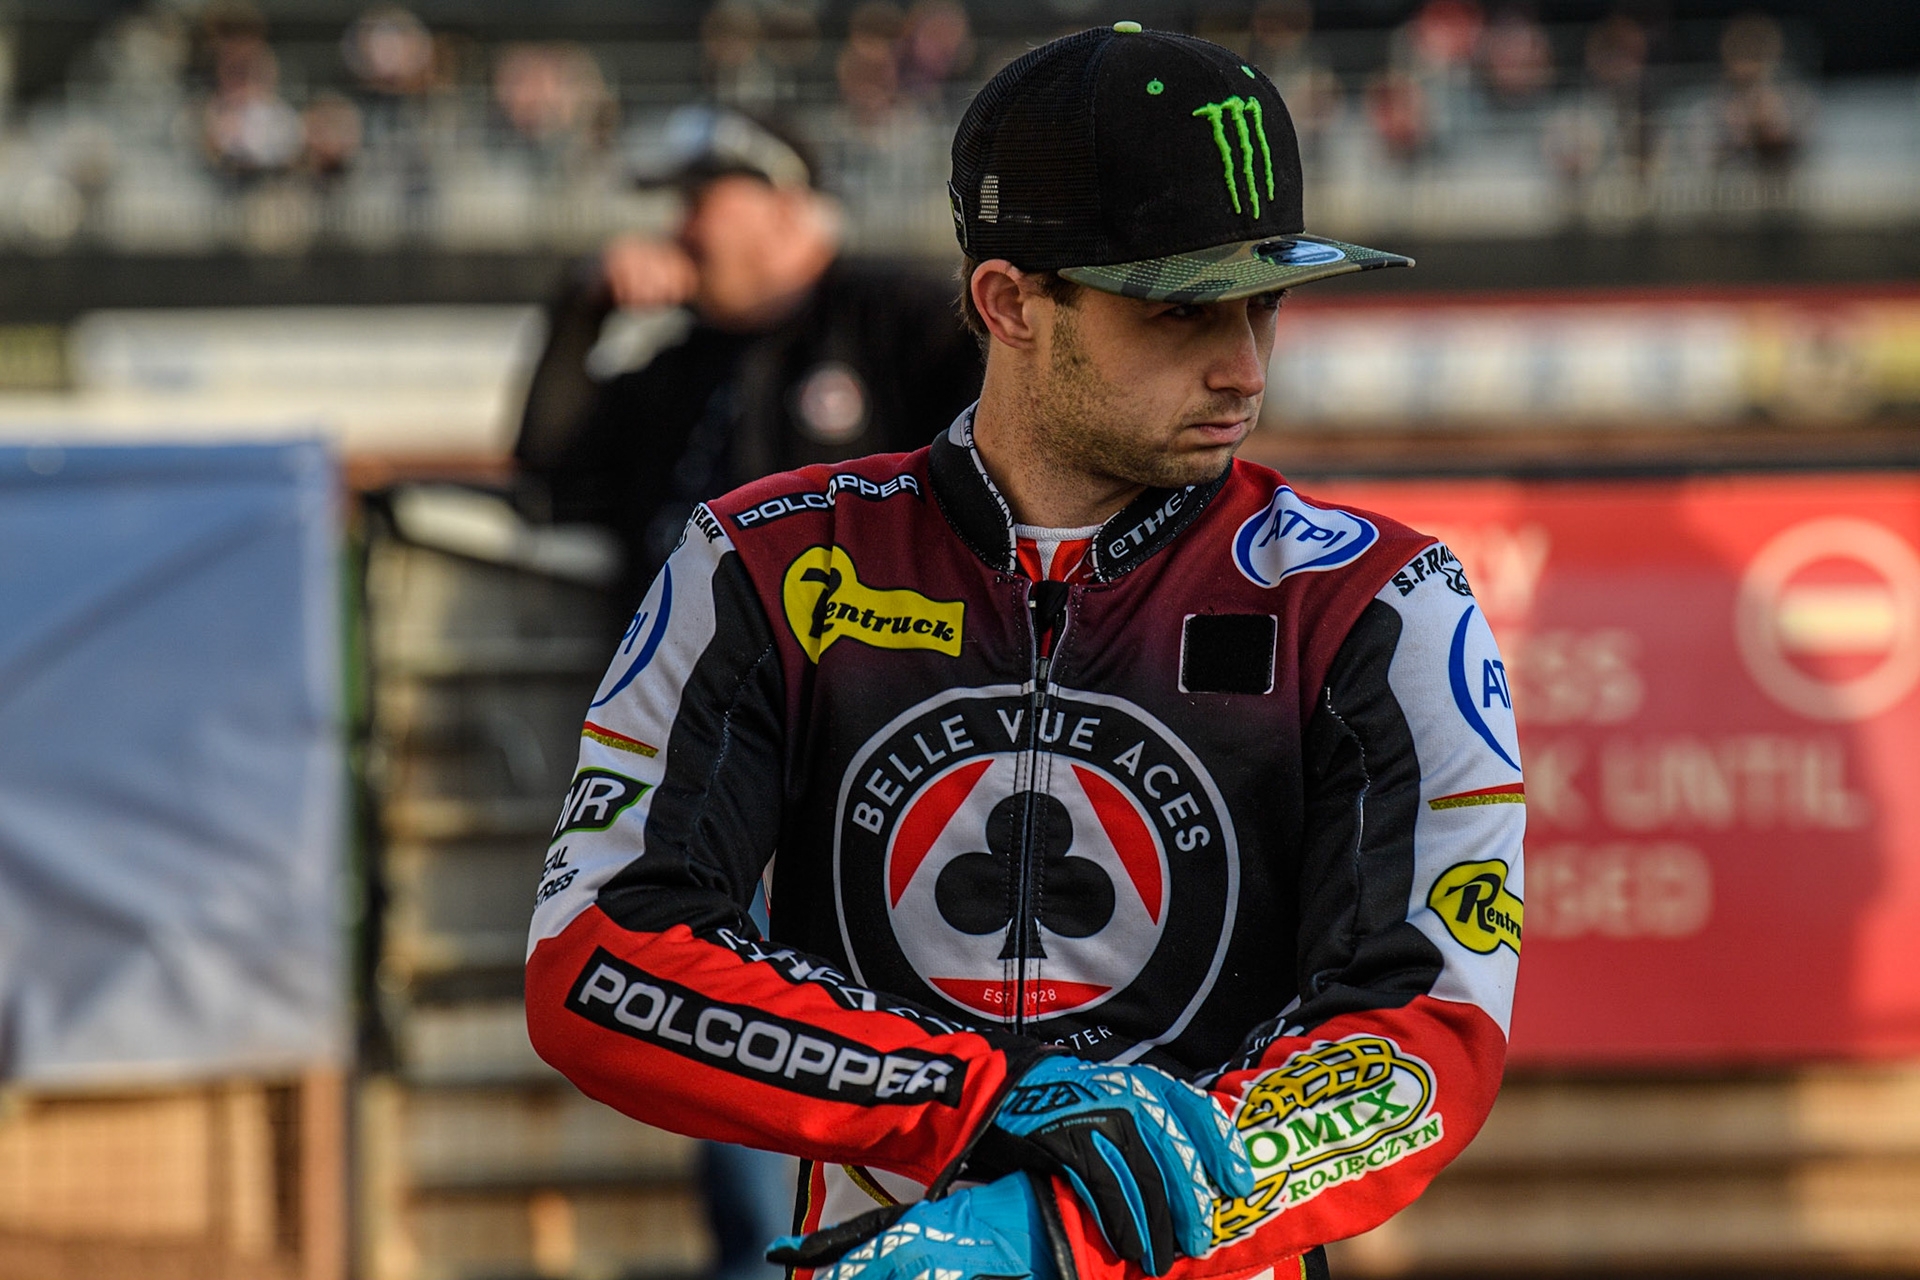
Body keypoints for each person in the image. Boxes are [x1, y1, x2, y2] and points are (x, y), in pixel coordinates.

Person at [526, 24, 1524, 1280]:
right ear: (1009, 302)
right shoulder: (762, 560)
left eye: (1266, 302)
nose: (1244, 365)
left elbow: (1425, 1034)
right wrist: (975, 1100)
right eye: (1182, 310)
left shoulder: (1380, 599)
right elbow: (600, 956)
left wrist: (1058, 1233)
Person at [513, 105, 983, 610]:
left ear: (783, 205)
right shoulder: (685, 363)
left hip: (857, 677)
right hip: (683, 681)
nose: (678, 230)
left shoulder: (901, 322)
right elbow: (549, 467)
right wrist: (584, 309)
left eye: (697, 203)